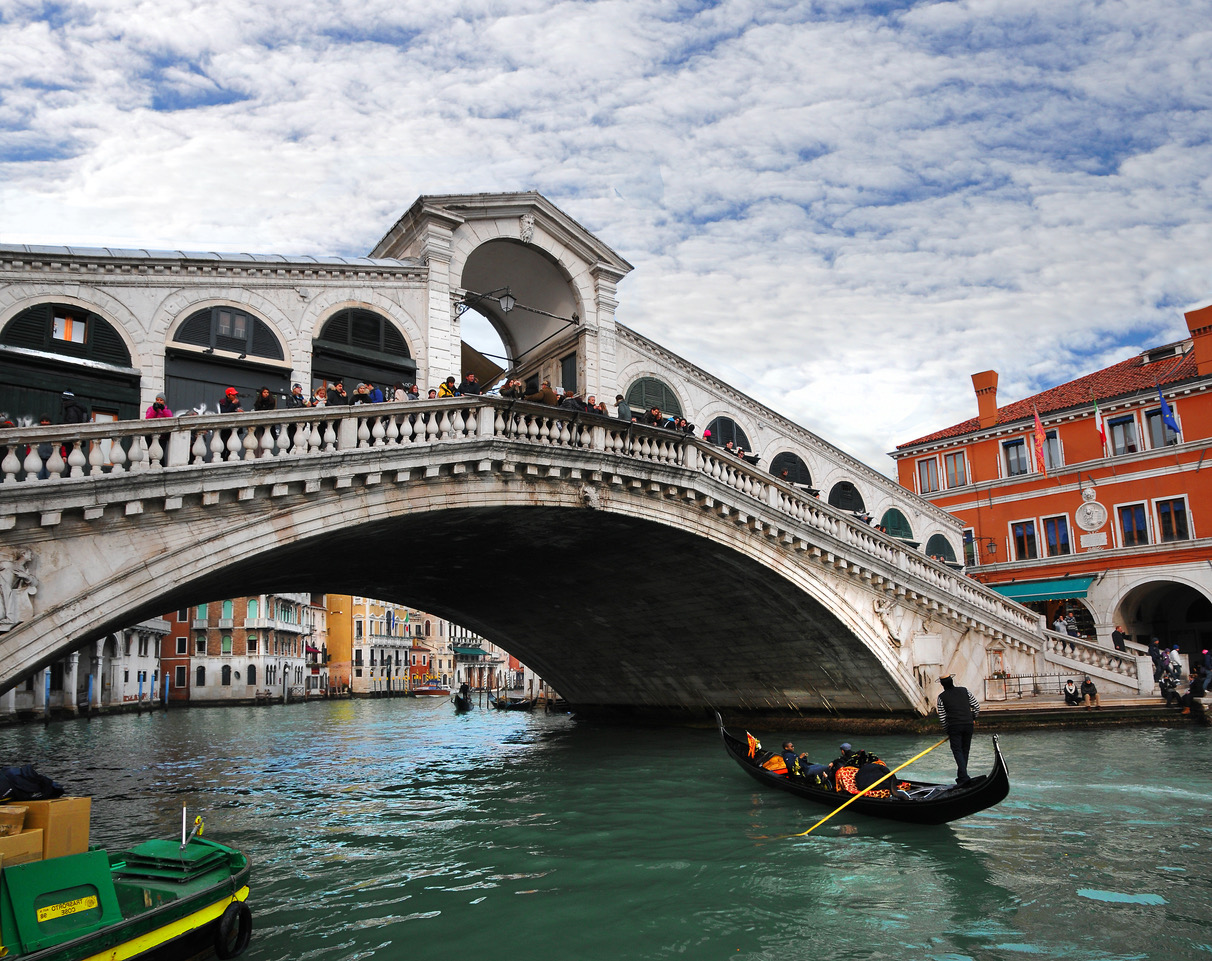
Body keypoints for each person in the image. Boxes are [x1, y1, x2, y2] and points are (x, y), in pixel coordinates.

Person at [936, 674, 980, 784]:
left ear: (942, 684)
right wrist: (973, 718)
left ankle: (964, 778)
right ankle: (962, 777)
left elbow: (942, 717)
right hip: (968, 724)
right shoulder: (964, 690)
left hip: (954, 726)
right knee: (965, 750)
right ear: (952, 681)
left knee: (958, 751)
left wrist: (948, 730)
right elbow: (976, 706)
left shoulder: (941, 697)